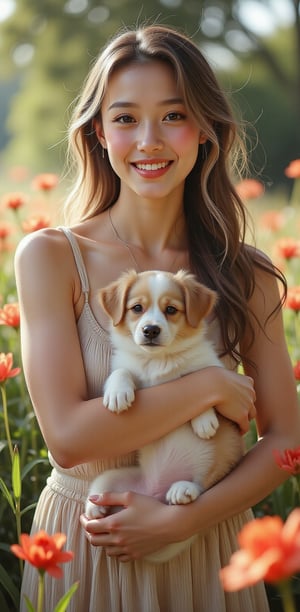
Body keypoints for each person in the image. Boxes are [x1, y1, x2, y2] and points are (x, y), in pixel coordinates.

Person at [15, 24, 300, 612]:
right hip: (90, 543)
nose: (149, 140)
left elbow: (289, 440)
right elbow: (68, 439)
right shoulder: (51, 258)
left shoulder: (241, 272)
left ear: (205, 131)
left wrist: (182, 520)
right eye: (124, 119)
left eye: (173, 115)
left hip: (206, 546)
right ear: (98, 132)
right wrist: (210, 385)